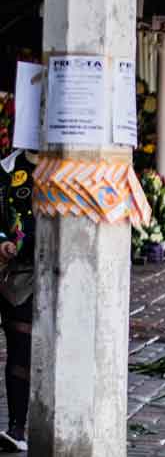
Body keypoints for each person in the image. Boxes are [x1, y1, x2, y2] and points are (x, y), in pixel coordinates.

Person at [0, 150, 37, 452]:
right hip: (19, 278)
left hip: (63, 272)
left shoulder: (69, 164)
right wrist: (3, 242)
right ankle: (17, 426)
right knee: (19, 347)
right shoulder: (7, 169)